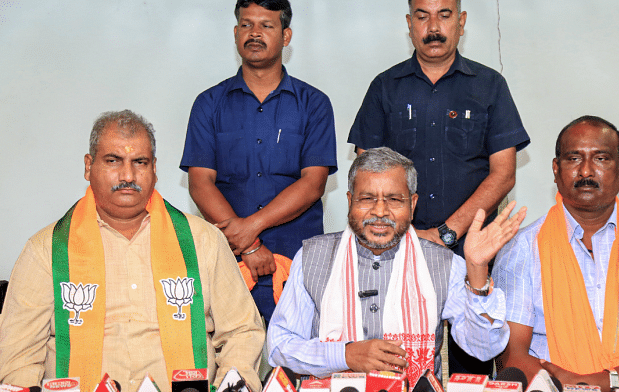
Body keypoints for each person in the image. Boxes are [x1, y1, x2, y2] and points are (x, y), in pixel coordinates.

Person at [0, 110, 265, 392]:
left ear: (154, 169)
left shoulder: (203, 241)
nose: (128, 175)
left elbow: (242, 332)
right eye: (113, 161)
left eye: (139, 162)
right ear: (88, 166)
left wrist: (232, 386)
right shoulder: (47, 249)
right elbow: (19, 354)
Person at [347, 0, 530, 373]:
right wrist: (410, 236)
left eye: (444, 15)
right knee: (398, 360)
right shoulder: (384, 87)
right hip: (397, 250)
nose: (434, 26)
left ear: (461, 22)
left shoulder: (489, 85)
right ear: (409, 24)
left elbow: (503, 174)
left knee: (473, 360)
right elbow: (367, 174)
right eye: (422, 16)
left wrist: (446, 233)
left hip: (473, 250)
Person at [267, 147, 526, 387]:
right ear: (350, 201)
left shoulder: (442, 264)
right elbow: (279, 347)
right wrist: (343, 355)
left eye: (394, 199)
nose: (380, 211)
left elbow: (484, 347)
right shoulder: (313, 257)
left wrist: (477, 270)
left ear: (412, 205)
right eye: (367, 198)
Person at [493, 116, 619, 391]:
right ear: (556, 169)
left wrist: (593, 384)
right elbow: (511, 356)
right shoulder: (521, 249)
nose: (586, 171)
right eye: (573, 158)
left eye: (601, 158)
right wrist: (562, 386)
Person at [180, 0, 337, 324]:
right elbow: (200, 183)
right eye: (247, 24)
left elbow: (313, 184)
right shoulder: (209, 104)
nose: (255, 33)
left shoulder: (314, 104)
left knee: (298, 367)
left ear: (286, 35)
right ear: (236, 32)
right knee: (228, 366)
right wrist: (249, 247)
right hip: (228, 260)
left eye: (266, 25)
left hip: (297, 261)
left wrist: (250, 228)